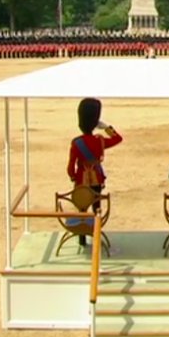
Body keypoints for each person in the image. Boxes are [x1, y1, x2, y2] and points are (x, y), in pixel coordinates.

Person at [66, 98, 123, 243]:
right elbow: (118, 138)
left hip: (81, 179)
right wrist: (106, 128)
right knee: (97, 208)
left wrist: (73, 177)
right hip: (97, 178)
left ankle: (82, 238)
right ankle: (96, 234)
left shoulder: (76, 142)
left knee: (82, 208)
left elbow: (71, 166)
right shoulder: (100, 141)